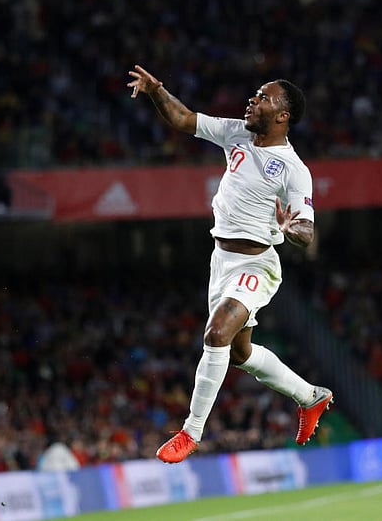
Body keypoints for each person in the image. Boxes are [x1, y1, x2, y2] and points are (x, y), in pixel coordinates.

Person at [126, 64, 333, 463]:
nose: (252, 100)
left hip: (257, 265)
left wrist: (290, 227)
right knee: (238, 353)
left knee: (217, 332)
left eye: (263, 97)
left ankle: (191, 433)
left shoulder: (294, 170)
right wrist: (156, 91)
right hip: (221, 261)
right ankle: (310, 396)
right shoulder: (237, 132)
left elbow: (306, 231)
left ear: (283, 115)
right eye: (255, 94)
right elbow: (183, 118)